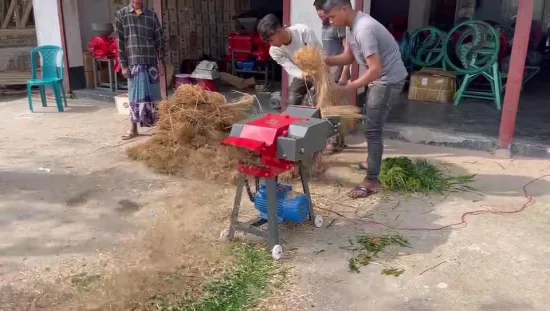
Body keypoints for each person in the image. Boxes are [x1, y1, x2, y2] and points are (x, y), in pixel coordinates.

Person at [323, 0, 408, 198]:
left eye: (332, 16)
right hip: (380, 78)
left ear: (344, 9)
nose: (331, 21)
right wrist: (326, 59)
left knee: (372, 128)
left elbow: (376, 69)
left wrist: (349, 87)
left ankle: (371, 180)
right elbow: (348, 57)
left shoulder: (363, 30)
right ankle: (373, 163)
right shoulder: (352, 26)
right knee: (371, 124)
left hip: (388, 80)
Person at [115, 0, 165, 140]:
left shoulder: (151, 15)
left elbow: (159, 39)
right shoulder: (122, 14)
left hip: (151, 63)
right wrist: (124, 65)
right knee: (134, 96)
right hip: (133, 63)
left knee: (154, 96)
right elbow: (120, 42)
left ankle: (160, 128)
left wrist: (161, 61)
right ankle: (133, 129)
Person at [257, 14, 321, 107]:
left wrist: (316, 79)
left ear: (278, 31)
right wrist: (303, 75)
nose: (271, 44)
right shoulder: (274, 50)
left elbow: (318, 56)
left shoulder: (303, 32)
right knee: (292, 98)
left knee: (316, 100)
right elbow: (290, 67)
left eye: (271, 40)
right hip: (302, 72)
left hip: (319, 70)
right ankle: (293, 119)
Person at [313, 0, 350, 153]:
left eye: (321, 9)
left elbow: (348, 51)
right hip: (327, 73)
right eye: (317, 10)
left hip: (336, 73)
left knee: (330, 108)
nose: (320, 13)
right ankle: (339, 140)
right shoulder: (325, 27)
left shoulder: (338, 26)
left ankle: (332, 141)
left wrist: (344, 73)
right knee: (333, 106)